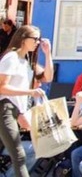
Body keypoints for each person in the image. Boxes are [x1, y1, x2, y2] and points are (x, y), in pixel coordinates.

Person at [0, 25, 52, 177]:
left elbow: (47, 77)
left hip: (14, 110)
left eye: (39, 39)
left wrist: (48, 53)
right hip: (5, 108)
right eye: (35, 39)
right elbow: (2, 87)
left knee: (18, 155)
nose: (37, 42)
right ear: (23, 39)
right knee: (19, 155)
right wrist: (31, 92)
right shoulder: (12, 57)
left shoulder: (26, 61)